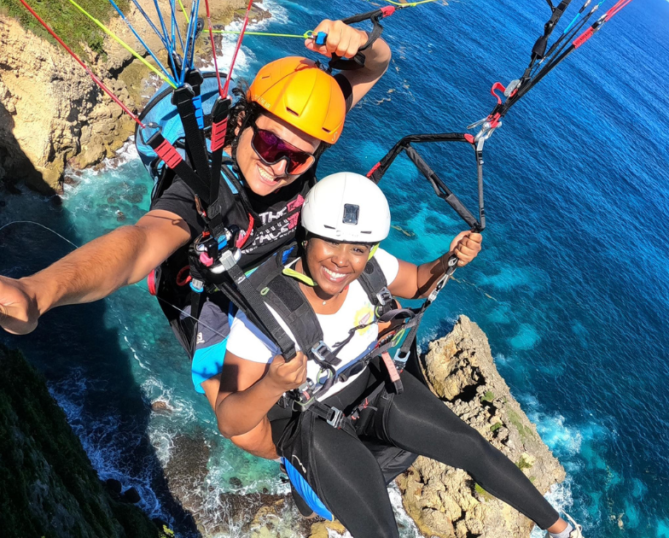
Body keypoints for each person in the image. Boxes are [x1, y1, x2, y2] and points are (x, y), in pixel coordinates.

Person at [0, 20, 390, 455]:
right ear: (242, 120)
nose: (279, 166)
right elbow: (139, 245)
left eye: (298, 160)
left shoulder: (302, 134)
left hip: (275, 284)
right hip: (209, 302)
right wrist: (40, 290)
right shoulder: (202, 189)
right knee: (242, 429)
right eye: (269, 145)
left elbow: (373, 67)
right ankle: (302, 457)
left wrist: (364, 43)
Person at [213, 172, 583, 538]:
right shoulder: (265, 314)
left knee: (470, 447)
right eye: (330, 242)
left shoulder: (369, 270)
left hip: (368, 389)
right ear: (306, 237)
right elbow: (230, 422)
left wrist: (449, 259)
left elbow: (420, 280)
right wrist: (272, 384)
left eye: (358, 248)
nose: (342, 260)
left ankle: (563, 531)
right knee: (380, 530)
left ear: (370, 249)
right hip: (311, 421)